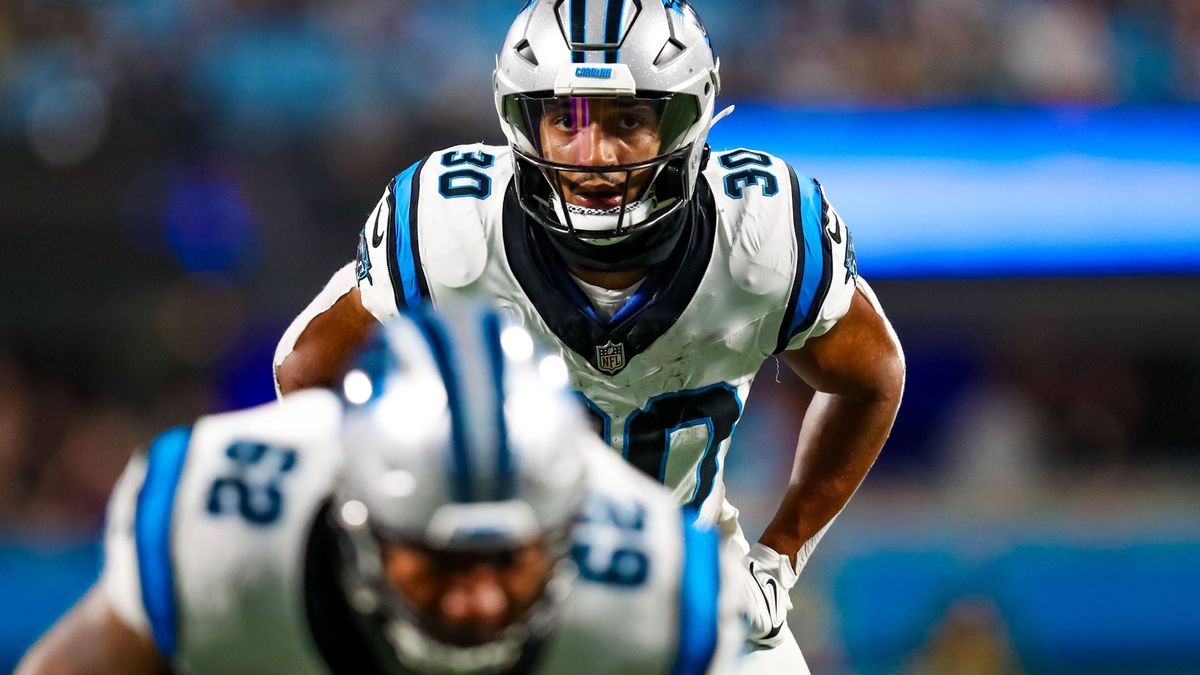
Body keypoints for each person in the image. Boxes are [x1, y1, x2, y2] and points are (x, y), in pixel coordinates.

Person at [274, 1, 905, 670]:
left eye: (627, 120)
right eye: (565, 119)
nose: (593, 154)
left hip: (689, 585)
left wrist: (778, 556)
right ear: (523, 122)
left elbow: (872, 378)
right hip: (497, 593)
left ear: (687, 118)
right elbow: (307, 371)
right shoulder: (449, 233)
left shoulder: (764, 235)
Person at [18, 303, 746, 675]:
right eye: (442, 561)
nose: (478, 600)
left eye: (511, 560)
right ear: (354, 521)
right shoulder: (216, 526)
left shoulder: (657, 591)